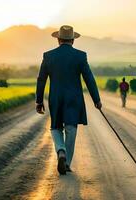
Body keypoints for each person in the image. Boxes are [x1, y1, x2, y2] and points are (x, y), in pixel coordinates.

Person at [35, 25, 102, 175]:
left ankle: (61, 151)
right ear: (73, 40)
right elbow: (89, 79)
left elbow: (41, 80)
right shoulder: (80, 56)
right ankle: (67, 164)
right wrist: (96, 99)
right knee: (71, 129)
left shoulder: (48, 56)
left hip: (56, 97)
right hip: (74, 98)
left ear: (58, 39)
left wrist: (39, 101)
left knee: (55, 127)